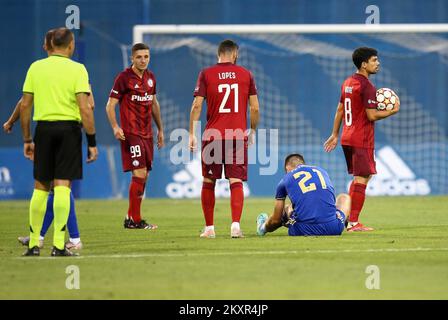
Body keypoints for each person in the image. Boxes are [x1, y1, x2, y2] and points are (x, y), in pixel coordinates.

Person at [4, 29, 95, 251]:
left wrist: (26, 138)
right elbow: (86, 106)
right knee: (63, 188)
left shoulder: (36, 67)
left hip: (43, 130)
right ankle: (58, 245)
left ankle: (34, 244)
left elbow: (25, 104)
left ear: (49, 45)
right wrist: (91, 141)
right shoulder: (78, 69)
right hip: (69, 130)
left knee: (41, 189)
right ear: (71, 45)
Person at [323, 47, 400, 232]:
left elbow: (340, 109)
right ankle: (353, 223)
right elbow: (372, 115)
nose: (378, 63)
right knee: (362, 178)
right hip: (361, 138)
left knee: (361, 177)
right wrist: (392, 110)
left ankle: (348, 218)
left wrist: (335, 134)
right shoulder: (367, 86)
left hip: (347, 137)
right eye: (374, 60)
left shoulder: (348, 82)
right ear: (364, 64)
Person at [189, 39, 260, 238]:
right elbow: (254, 108)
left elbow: (196, 106)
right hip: (237, 135)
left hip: (213, 135)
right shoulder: (246, 74)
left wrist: (193, 133)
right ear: (235, 54)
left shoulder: (206, 73)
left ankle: (210, 228)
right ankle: (235, 226)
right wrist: (252, 131)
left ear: (218, 54)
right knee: (235, 180)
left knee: (209, 180)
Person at [106, 43, 164, 230]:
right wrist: (116, 127)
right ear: (132, 58)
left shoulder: (151, 78)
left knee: (144, 175)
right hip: (131, 133)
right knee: (139, 173)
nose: (143, 60)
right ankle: (136, 221)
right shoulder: (123, 78)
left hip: (147, 133)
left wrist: (160, 129)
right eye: (139, 57)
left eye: (146, 56)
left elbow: (154, 104)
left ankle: (130, 216)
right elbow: (110, 105)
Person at [256, 154, 350, 237]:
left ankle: (262, 227)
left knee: (287, 209)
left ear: (287, 168)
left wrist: (265, 226)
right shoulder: (322, 171)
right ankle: (348, 222)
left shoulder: (285, 180)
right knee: (343, 197)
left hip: (303, 230)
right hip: (333, 228)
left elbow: (276, 220)